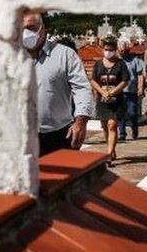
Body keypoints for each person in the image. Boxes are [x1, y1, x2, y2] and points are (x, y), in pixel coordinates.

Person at [21, 10, 93, 156]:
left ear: (43, 28)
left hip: (58, 136)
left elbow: (82, 89)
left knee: (60, 178)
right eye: (21, 28)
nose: (25, 33)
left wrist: (81, 122)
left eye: (31, 28)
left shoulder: (65, 55)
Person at [90, 37, 131, 163]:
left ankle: (108, 154)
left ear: (115, 50)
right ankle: (111, 149)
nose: (108, 52)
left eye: (111, 50)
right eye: (106, 49)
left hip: (116, 100)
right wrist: (102, 92)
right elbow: (93, 80)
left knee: (112, 125)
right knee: (105, 127)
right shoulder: (98, 64)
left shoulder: (120, 64)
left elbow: (125, 80)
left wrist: (112, 92)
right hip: (102, 101)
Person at [117, 40, 145, 141]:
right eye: (120, 51)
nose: (122, 52)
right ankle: (122, 133)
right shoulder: (116, 61)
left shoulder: (135, 60)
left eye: (124, 50)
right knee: (121, 113)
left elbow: (140, 74)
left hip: (131, 90)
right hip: (119, 91)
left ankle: (134, 128)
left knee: (132, 112)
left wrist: (140, 87)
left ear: (127, 49)